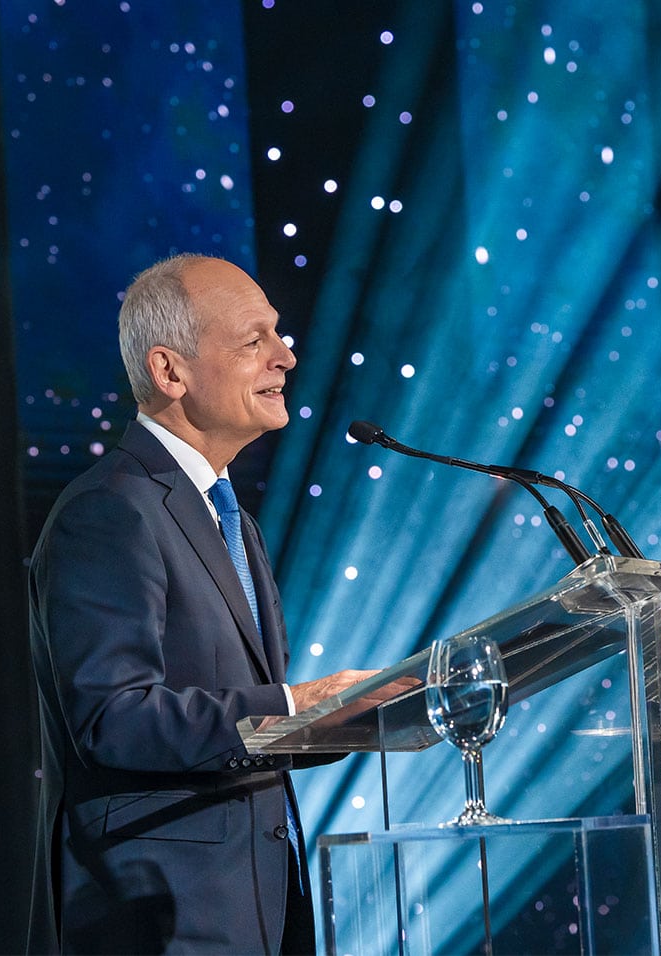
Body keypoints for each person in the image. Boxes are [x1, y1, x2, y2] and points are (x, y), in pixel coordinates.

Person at [27, 254, 391, 954]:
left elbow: (232, 729)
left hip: (253, 910)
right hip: (158, 917)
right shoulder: (109, 510)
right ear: (171, 372)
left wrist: (351, 718)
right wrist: (294, 705)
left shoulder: (231, 522)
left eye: (278, 335)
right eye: (254, 340)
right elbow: (113, 717)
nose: (285, 357)